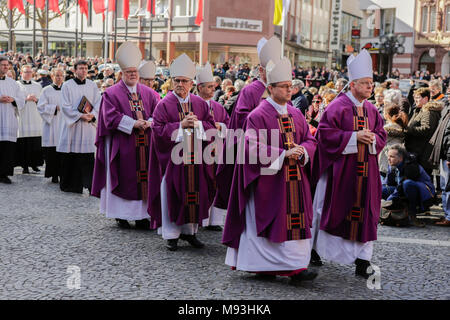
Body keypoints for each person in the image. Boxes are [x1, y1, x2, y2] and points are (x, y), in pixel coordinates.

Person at [223, 57, 318, 283]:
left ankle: (297, 266)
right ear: (270, 88)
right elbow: (250, 146)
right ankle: (264, 266)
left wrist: (303, 151)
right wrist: (284, 154)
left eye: (290, 85)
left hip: (295, 179)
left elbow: (310, 140)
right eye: (284, 86)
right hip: (269, 181)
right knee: (269, 220)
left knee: (295, 221)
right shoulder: (258, 115)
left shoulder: (296, 114)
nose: (289, 90)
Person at [311, 50, 387, 278]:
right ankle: (315, 250)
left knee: (367, 214)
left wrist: (374, 139)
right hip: (340, 172)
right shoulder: (337, 106)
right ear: (352, 85)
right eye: (365, 83)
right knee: (328, 209)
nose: (370, 88)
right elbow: (324, 135)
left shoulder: (373, 110)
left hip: (367, 173)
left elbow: (381, 134)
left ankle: (363, 261)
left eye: (371, 84)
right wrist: (353, 138)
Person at [147, 53, 216, 251]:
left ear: (191, 83)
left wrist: (199, 124)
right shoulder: (164, 104)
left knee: (195, 193)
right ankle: (171, 235)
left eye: (184, 81)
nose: (180, 84)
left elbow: (211, 127)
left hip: (196, 159)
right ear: (171, 81)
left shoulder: (200, 103)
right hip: (173, 161)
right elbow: (158, 130)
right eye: (176, 80)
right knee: (172, 194)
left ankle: (190, 232)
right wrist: (180, 125)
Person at [91, 42, 159, 230]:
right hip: (123, 144)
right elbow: (109, 117)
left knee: (145, 178)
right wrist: (133, 124)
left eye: (134, 72)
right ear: (122, 74)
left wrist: (150, 122)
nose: (132, 75)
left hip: (146, 143)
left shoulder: (150, 93)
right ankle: (121, 215)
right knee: (123, 176)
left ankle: (142, 216)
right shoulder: (111, 94)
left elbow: (158, 113)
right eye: (128, 72)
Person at [215, 36, 281, 216]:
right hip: (254, 151)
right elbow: (242, 119)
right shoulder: (251, 90)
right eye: (271, 68)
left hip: (277, 148)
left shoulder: (282, 88)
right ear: (261, 70)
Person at [58, 60, 101, 194]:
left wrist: (92, 115)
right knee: (73, 156)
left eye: (85, 68)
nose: (83, 71)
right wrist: (79, 116)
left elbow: (99, 103)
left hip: (88, 127)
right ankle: (71, 185)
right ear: (75, 70)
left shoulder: (92, 85)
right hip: (74, 127)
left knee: (88, 157)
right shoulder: (67, 85)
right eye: (80, 68)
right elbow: (65, 106)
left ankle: (89, 185)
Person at [196, 62, 230, 231]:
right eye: (208, 87)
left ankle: (213, 220)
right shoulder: (193, 104)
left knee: (216, 183)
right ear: (199, 87)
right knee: (200, 184)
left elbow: (227, 125)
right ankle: (199, 218)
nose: (212, 90)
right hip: (197, 151)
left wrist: (220, 127)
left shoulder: (218, 106)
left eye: (213, 86)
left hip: (216, 150)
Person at [382, 145, 435, 227]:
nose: (388, 159)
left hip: (424, 193)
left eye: (392, 156)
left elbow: (402, 185)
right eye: (388, 156)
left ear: (400, 158)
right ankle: (393, 212)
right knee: (383, 189)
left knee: (407, 184)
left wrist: (390, 200)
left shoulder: (411, 166)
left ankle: (412, 214)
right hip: (402, 189)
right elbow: (387, 183)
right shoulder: (391, 165)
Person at [36, 68, 65, 183]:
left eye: (61, 75)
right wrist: (54, 108)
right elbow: (41, 107)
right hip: (52, 124)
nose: (59, 78)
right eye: (57, 75)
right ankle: (53, 174)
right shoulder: (46, 90)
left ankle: (63, 174)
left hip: (64, 124)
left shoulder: (67, 89)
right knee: (52, 152)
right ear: (52, 76)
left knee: (63, 151)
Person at [405, 89, 442, 176]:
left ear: (425, 99)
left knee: (422, 179)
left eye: (418, 97)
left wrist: (408, 130)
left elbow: (426, 129)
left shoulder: (428, 112)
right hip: (417, 152)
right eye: (414, 97)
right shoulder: (418, 110)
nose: (415, 100)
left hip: (422, 153)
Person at [0, 56, 25, 184]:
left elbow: (21, 100)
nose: (5, 67)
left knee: (7, 148)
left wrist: (13, 100)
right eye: (3, 65)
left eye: (7, 65)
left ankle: (4, 173)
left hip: (9, 119)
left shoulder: (13, 83)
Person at [16, 64, 44, 174]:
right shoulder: (16, 85)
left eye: (30, 72)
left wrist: (36, 99)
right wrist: (26, 99)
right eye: (26, 72)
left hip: (35, 116)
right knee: (24, 142)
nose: (28, 74)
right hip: (23, 116)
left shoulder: (38, 86)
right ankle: (24, 165)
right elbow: (15, 99)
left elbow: (42, 100)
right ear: (21, 73)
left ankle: (34, 163)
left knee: (35, 142)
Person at [378, 104, 408, 176]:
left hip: (386, 159)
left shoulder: (386, 128)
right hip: (395, 159)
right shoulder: (400, 126)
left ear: (387, 115)